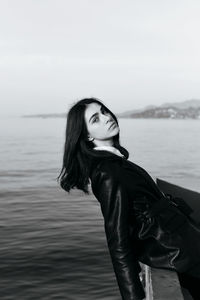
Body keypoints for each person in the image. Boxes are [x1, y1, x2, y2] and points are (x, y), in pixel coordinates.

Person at [58, 97, 200, 300]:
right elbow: (117, 237)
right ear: (87, 136)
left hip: (182, 242)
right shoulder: (107, 172)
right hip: (177, 252)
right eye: (96, 119)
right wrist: (132, 294)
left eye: (104, 111)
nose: (107, 118)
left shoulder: (114, 161)